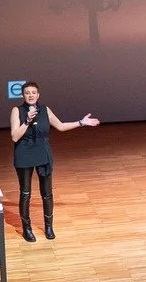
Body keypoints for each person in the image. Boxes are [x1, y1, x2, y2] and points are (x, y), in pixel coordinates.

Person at [8, 80, 98, 242]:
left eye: (33, 92)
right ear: (23, 95)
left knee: (47, 194)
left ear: (38, 95)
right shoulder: (17, 111)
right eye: (27, 93)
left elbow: (61, 126)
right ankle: (26, 229)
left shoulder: (45, 110)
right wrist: (27, 121)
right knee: (26, 193)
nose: (31, 95)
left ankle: (49, 226)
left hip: (43, 154)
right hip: (24, 155)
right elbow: (15, 136)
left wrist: (81, 123)